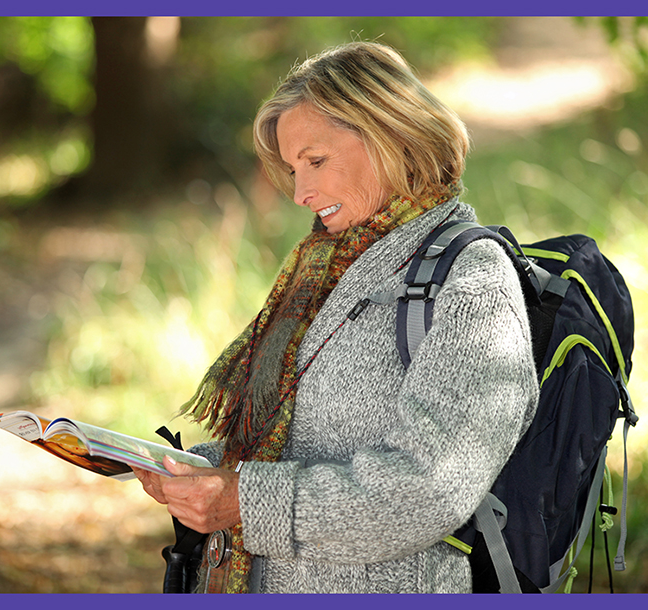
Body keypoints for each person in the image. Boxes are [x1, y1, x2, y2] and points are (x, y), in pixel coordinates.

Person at [133, 41, 539, 594]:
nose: (300, 193)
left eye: (315, 161)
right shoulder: (329, 270)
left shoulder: (472, 281)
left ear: (390, 134)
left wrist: (243, 500)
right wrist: (197, 471)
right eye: (293, 168)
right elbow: (298, 445)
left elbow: (429, 489)